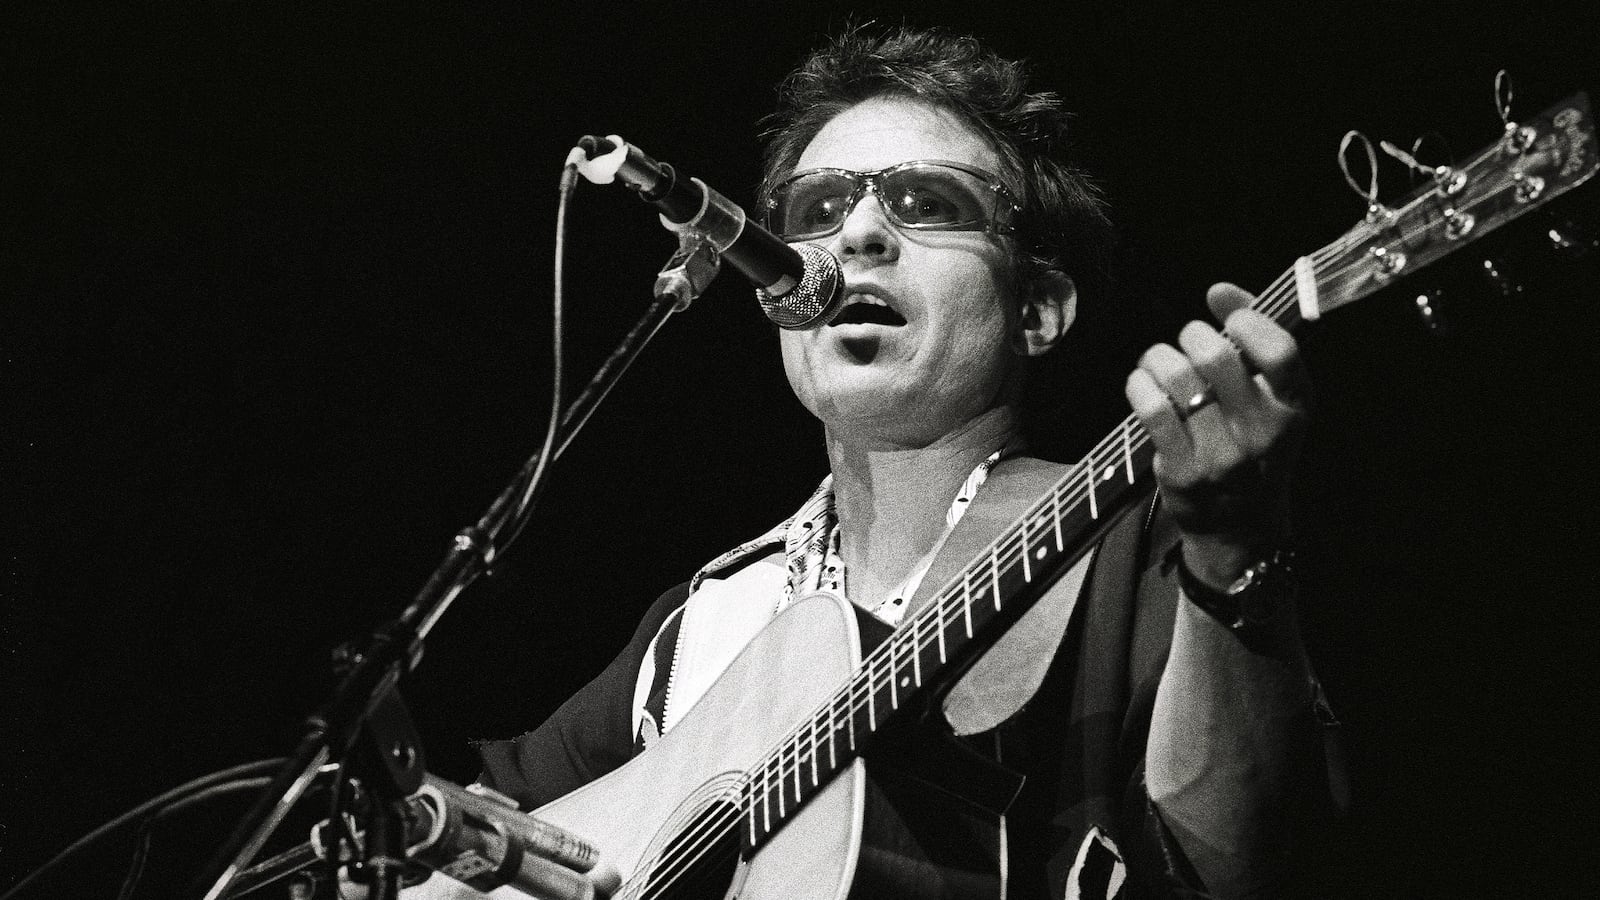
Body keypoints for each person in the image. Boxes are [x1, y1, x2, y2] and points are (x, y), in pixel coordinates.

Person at [406, 24, 1331, 900]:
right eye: (819, 208)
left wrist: (1233, 551)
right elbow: (496, 828)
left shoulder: (1129, 543)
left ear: (1037, 309)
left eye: (928, 204)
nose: (858, 237)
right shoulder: (705, 621)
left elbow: (1244, 866)